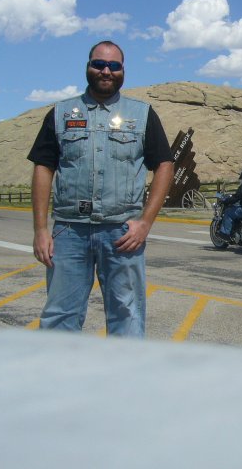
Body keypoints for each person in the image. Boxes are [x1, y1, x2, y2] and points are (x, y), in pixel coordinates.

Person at [28, 40, 174, 337]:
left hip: (122, 233)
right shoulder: (60, 114)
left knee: (127, 314)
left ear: (123, 71)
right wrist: (41, 229)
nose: (106, 70)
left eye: (114, 66)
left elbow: (164, 165)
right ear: (88, 67)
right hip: (69, 232)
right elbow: (44, 167)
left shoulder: (142, 114)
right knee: (60, 316)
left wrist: (145, 223)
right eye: (99, 64)